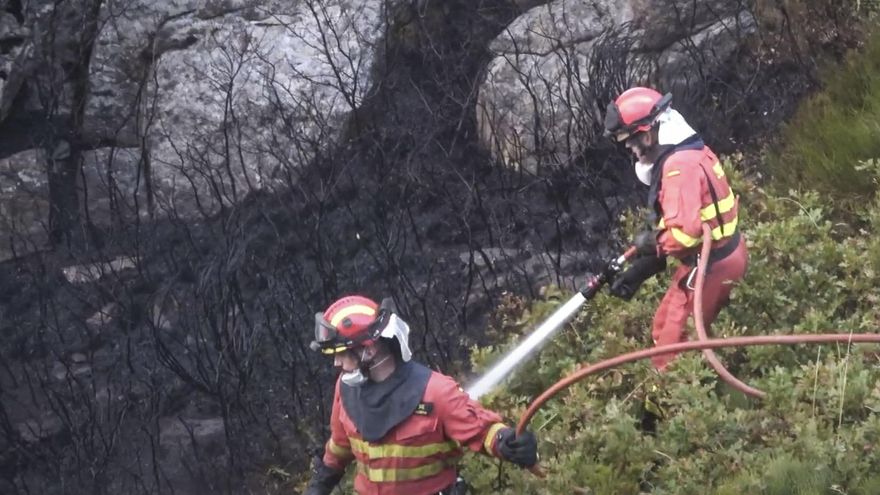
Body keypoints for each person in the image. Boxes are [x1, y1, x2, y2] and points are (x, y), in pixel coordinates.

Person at [305, 295, 538, 495]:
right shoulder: (345, 389)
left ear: (369, 348)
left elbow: (482, 431)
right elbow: (339, 446)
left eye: (343, 354)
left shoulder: (435, 392)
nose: (337, 363)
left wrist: (508, 442)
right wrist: (319, 484)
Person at [603, 87, 748, 371]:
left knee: (672, 351)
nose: (631, 150)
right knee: (662, 329)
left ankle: (675, 405)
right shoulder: (687, 152)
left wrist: (652, 243)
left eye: (630, 143)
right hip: (709, 261)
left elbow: (684, 235)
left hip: (711, 266)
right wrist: (638, 272)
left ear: (646, 135)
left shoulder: (679, 168)